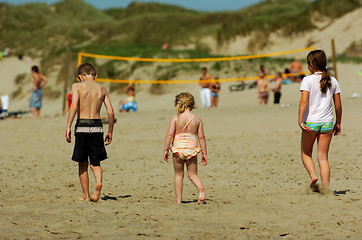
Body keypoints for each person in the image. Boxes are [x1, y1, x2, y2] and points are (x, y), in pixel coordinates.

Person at [66, 63, 115, 202]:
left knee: (82, 163)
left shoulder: (77, 86)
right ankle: (98, 183)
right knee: (95, 163)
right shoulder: (102, 89)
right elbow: (110, 111)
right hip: (97, 127)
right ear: (96, 76)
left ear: (79, 77)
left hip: (82, 126)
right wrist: (110, 130)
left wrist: (68, 126)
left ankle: (86, 195)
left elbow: (74, 106)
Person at [298, 50, 342, 190]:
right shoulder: (333, 80)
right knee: (323, 158)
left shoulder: (308, 80)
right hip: (327, 122)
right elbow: (338, 105)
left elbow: (304, 102)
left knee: (306, 153)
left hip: (311, 122)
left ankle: (313, 176)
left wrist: (300, 121)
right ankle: (325, 187)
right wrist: (338, 122)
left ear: (311, 65)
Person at [163, 92, 208, 203]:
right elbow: (201, 137)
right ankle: (200, 188)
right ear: (192, 105)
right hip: (192, 149)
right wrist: (204, 153)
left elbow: (169, 134)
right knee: (193, 174)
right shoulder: (197, 119)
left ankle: (178, 200)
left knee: (178, 175)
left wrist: (166, 149)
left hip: (178, 149)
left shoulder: (176, 119)